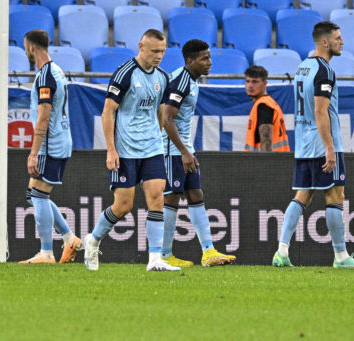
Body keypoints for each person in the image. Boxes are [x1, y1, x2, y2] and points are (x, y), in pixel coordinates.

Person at [272, 21, 354, 269]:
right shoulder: (324, 70)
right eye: (338, 38)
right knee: (336, 194)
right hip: (324, 142)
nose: (342, 42)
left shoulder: (302, 67)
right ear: (324, 42)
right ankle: (341, 257)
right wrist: (329, 147)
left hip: (304, 143)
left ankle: (282, 251)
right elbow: (320, 109)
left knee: (302, 195)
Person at [83, 29, 178, 272]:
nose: (159, 56)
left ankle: (155, 259)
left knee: (157, 197)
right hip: (125, 150)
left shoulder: (163, 77)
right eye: (155, 51)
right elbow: (108, 111)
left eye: (163, 51)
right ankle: (93, 240)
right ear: (141, 46)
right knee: (123, 205)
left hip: (152, 148)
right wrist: (110, 150)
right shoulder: (125, 74)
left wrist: (156, 137)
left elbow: (159, 110)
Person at [161, 39, 237, 268]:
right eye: (204, 59)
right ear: (189, 60)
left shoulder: (191, 80)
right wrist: (183, 152)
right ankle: (164, 255)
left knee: (195, 194)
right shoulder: (181, 81)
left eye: (210, 57)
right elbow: (166, 118)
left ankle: (208, 251)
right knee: (171, 197)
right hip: (172, 150)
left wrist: (187, 150)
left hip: (184, 149)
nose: (209, 63)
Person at [19, 30, 80, 264]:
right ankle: (68, 237)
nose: (25, 51)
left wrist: (34, 153)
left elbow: (44, 116)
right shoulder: (57, 71)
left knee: (39, 195)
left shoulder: (45, 76)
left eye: (26, 47)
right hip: (60, 140)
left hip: (50, 144)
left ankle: (46, 252)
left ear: (31, 47)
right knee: (32, 195)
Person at [244, 65, 290, 152]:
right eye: (247, 81)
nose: (250, 85)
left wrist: (267, 164)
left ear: (265, 83)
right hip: (280, 161)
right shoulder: (270, 103)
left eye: (255, 82)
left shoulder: (263, 105)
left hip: (268, 163)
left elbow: (266, 141)